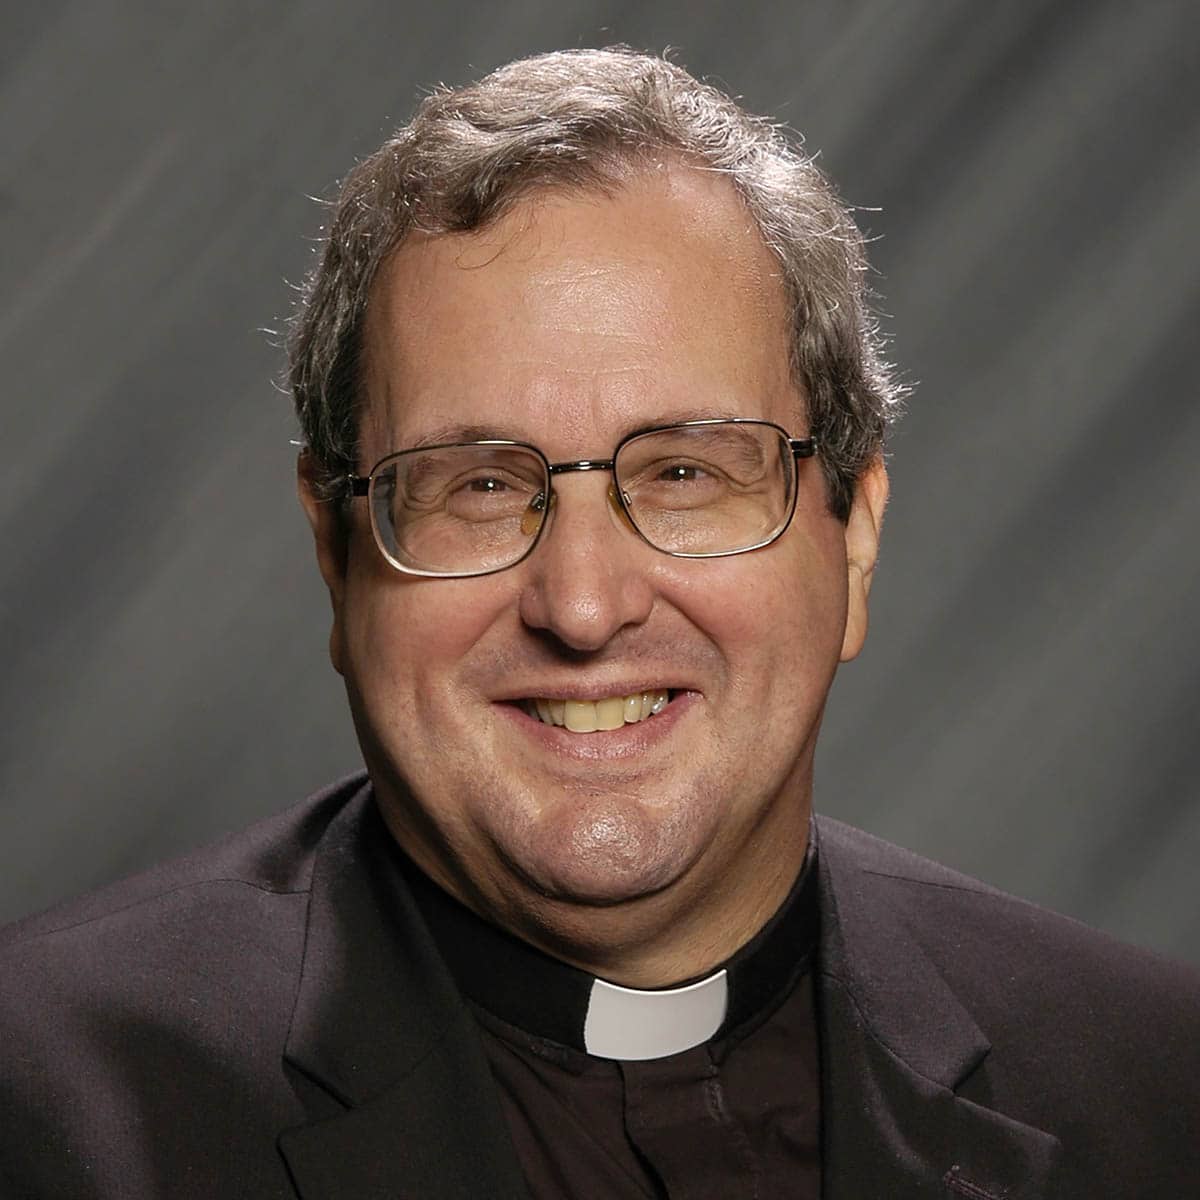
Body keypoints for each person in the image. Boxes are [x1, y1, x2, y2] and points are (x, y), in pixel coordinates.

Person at [1, 47, 1196, 1200]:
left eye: (685, 473)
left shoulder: (1156, 1089)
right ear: (335, 550)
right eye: (476, 484)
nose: (582, 606)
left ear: (857, 533)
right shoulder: (44, 1104)